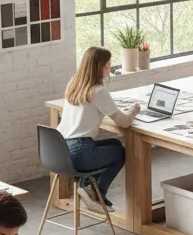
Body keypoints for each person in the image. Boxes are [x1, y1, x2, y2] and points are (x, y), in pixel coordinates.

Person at [58, 46, 138, 212]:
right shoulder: (99, 91)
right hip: (80, 153)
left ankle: (88, 189)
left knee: (115, 144)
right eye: (108, 64)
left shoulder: (73, 85)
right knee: (123, 153)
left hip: (61, 149)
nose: (110, 67)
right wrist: (133, 111)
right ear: (99, 67)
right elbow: (124, 122)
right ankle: (97, 194)